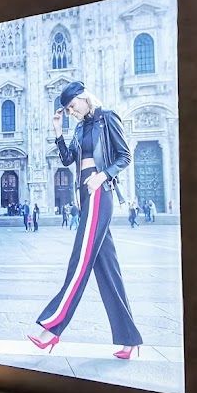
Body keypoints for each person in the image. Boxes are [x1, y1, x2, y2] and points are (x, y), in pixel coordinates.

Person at [28, 82, 143, 360]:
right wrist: (58, 130)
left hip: (99, 192)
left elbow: (124, 156)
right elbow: (68, 160)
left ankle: (52, 328)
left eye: (72, 107)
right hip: (85, 194)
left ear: (83, 97)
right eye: (67, 110)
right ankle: (129, 339)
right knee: (107, 269)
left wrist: (102, 176)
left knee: (79, 262)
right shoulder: (79, 128)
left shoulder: (107, 118)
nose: (71, 113)